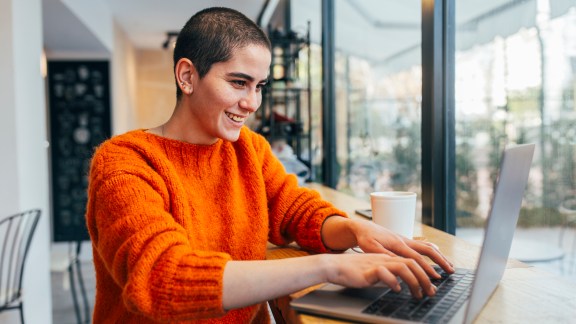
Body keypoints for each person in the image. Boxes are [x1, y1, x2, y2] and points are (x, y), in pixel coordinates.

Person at [85, 7, 454, 323]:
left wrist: (356, 230)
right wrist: (332, 267)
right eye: (239, 82)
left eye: (259, 86)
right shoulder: (124, 162)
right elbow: (161, 278)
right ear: (187, 76)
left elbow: (294, 210)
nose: (252, 103)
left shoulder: (249, 148)